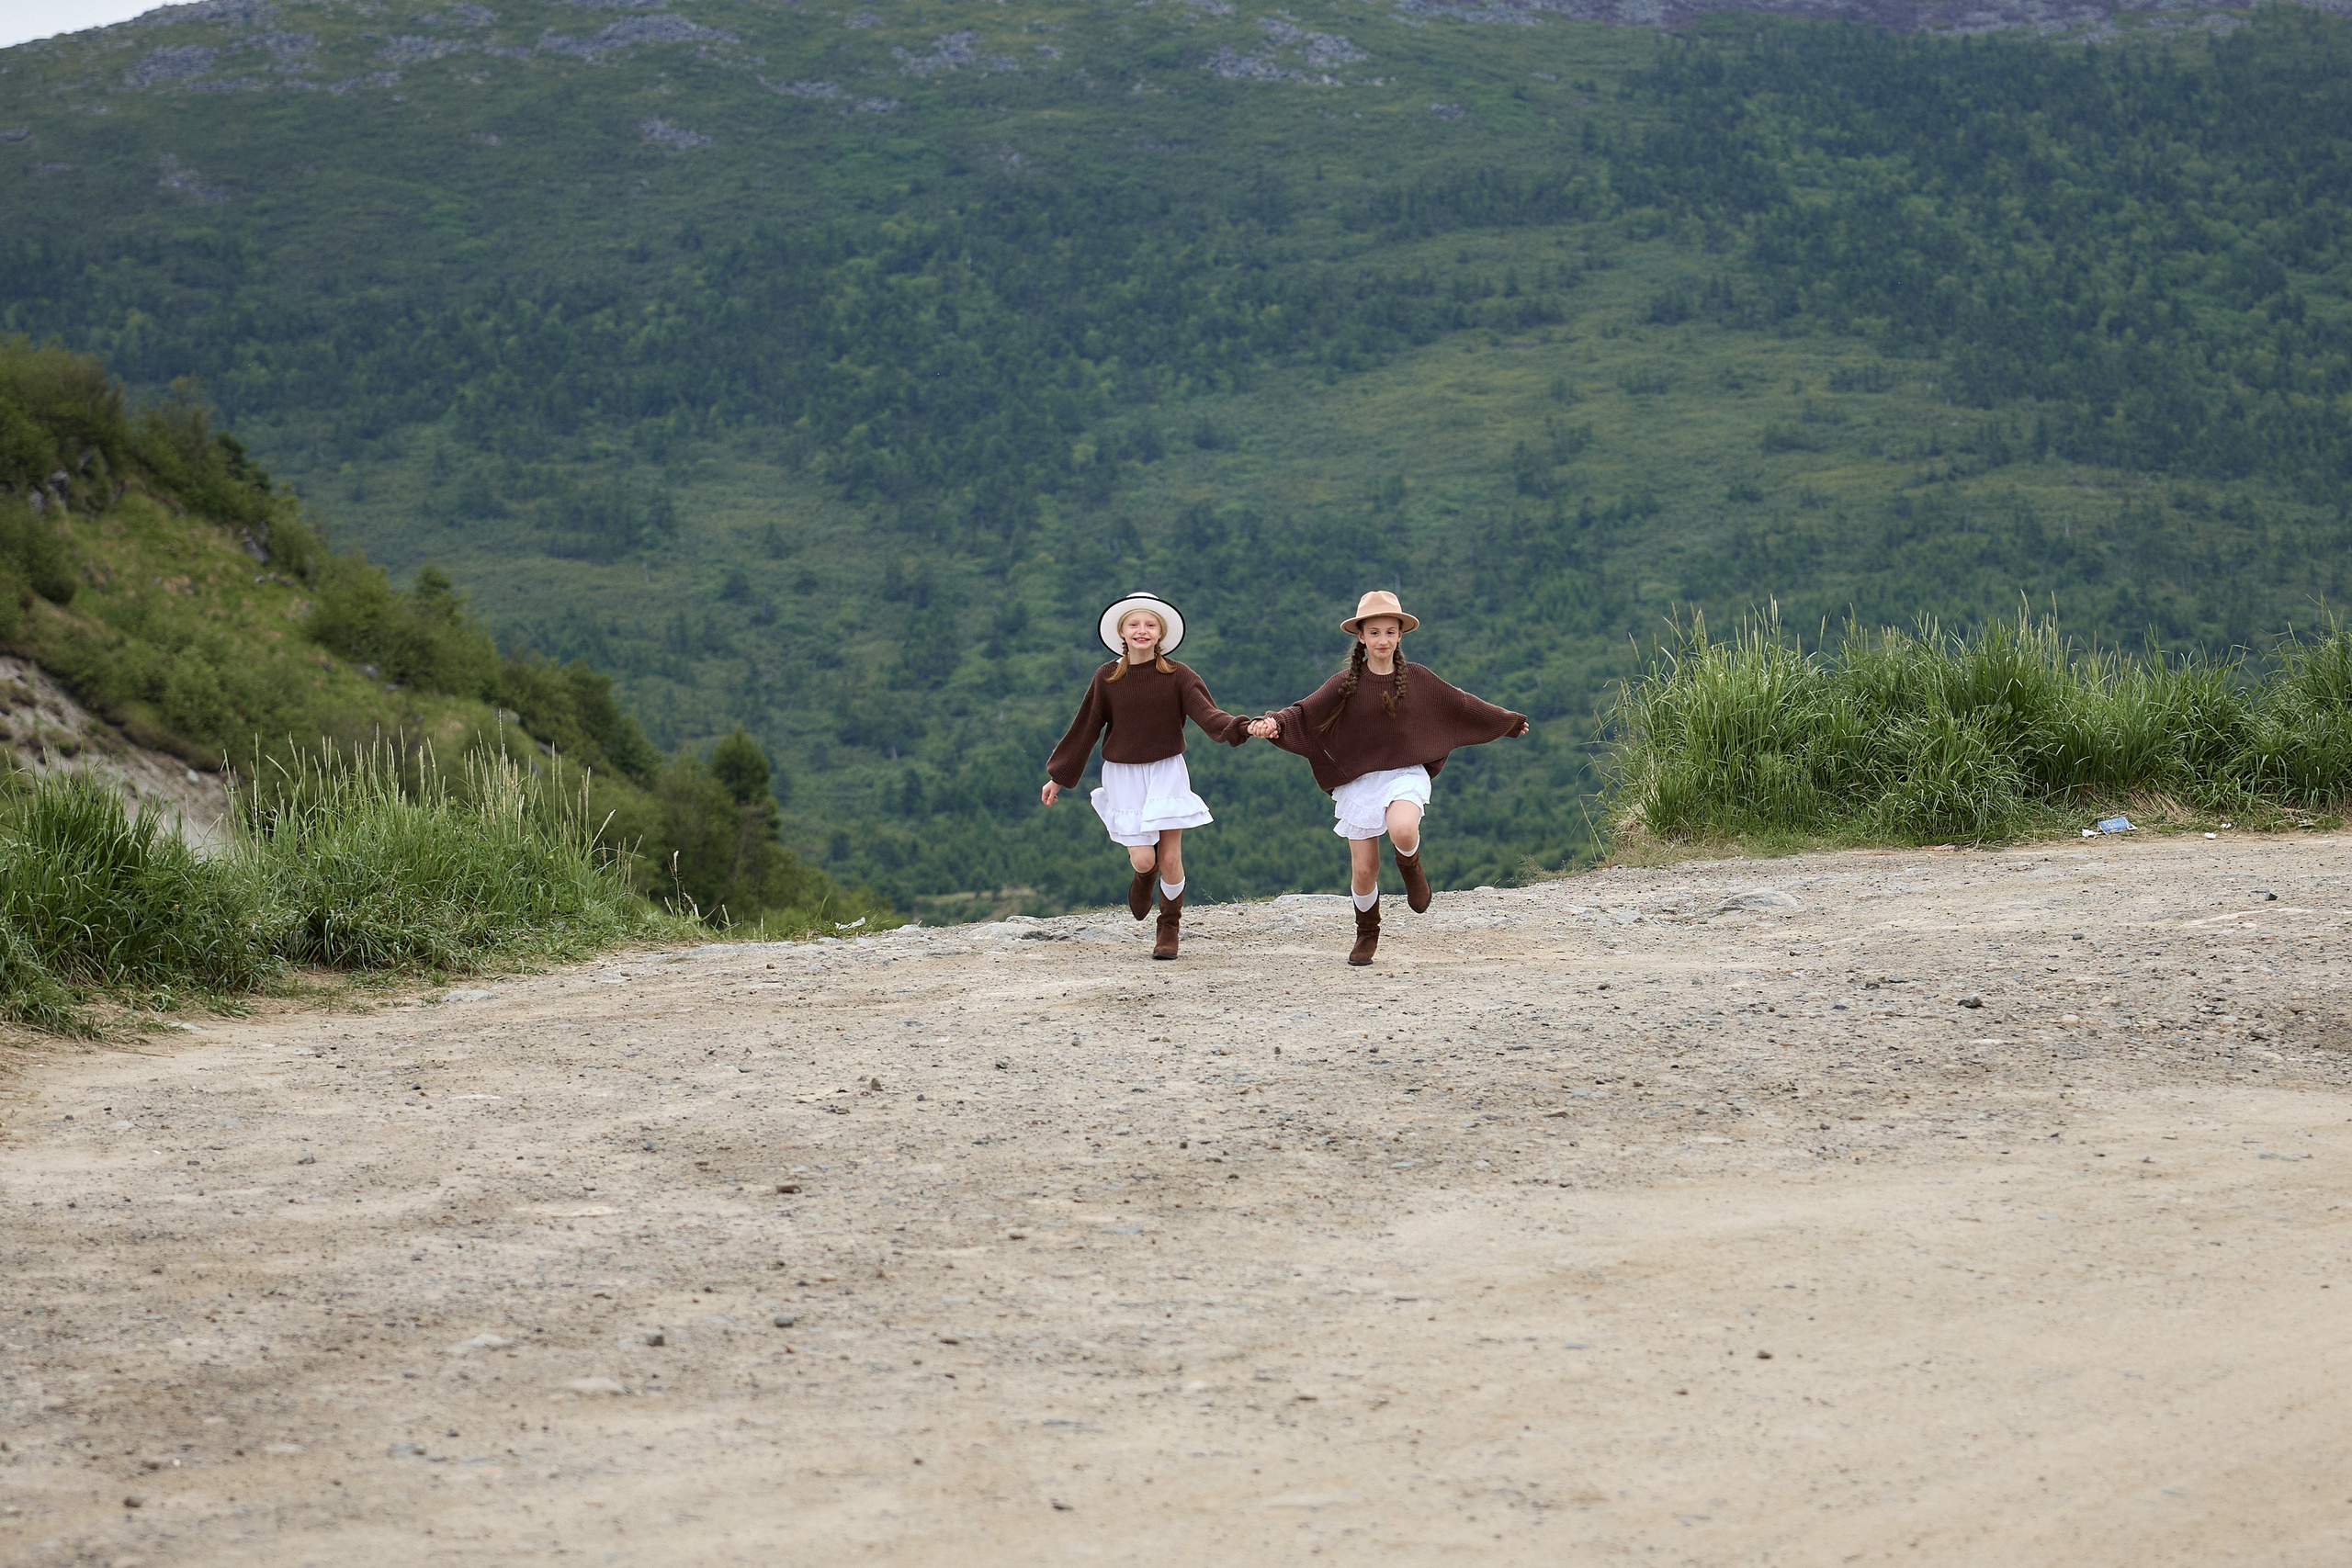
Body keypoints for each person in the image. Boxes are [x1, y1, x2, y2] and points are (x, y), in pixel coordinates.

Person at [1249, 591, 1528, 965]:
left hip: (1405, 773)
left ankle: (1411, 867)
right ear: (1361, 637)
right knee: (1364, 871)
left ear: (1400, 636)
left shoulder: (1420, 679)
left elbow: (1460, 705)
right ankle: (1367, 930)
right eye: (1375, 632)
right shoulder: (1342, 684)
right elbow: (1302, 713)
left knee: (1403, 830)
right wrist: (1274, 724)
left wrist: (1506, 722)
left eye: (1390, 632)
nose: (1383, 640)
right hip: (1360, 781)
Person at [1043, 592, 1251, 959]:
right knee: (1145, 859)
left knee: (1170, 857)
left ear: (1161, 634)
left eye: (1150, 624)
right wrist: (1059, 775)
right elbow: (1086, 728)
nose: (1142, 630)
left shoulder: (1178, 675)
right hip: (1123, 776)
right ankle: (1143, 876)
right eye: (1134, 624)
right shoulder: (1106, 678)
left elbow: (1209, 715)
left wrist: (1243, 728)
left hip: (1166, 771)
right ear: (1121, 632)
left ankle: (1168, 927)